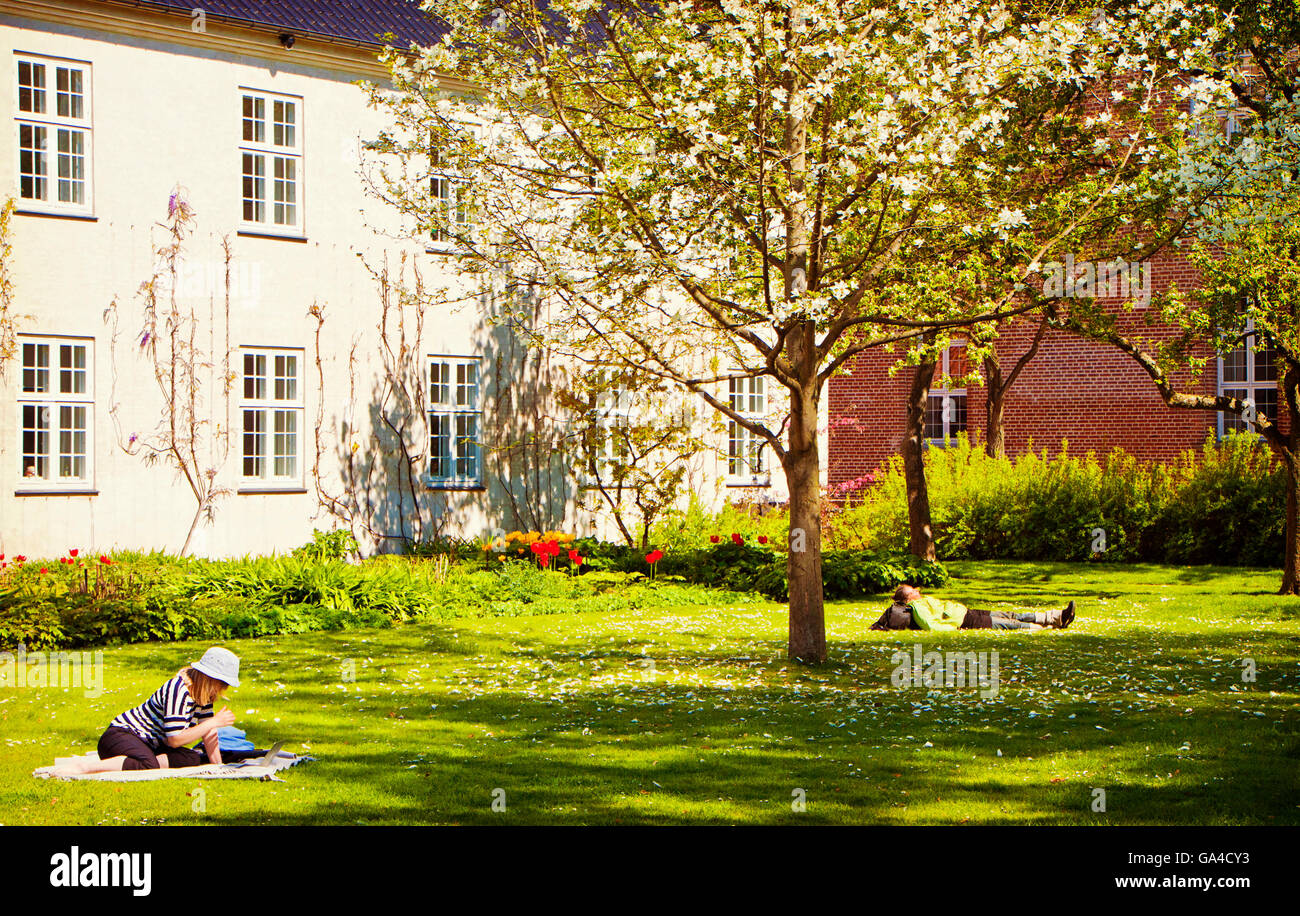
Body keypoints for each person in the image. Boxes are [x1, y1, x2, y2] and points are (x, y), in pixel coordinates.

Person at [58, 647, 240, 775]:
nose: (223, 689)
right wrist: (213, 722)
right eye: (222, 683)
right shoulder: (178, 690)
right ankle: (85, 767)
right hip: (121, 736)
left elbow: (208, 732)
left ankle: (138, 762)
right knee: (148, 764)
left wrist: (219, 766)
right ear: (209, 678)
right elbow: (175, 739)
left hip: (149, 745)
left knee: (193, 758)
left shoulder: (204, 695)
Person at [872, 584, 1076, 631]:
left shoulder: (920, 602)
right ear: (909, 598)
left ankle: (1057, 617)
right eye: (914, 591)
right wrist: (953, 628)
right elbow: (930, 625)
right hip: (966, 620)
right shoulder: (916, 607)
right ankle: (1048, 628)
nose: (918, 591)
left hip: (968, 612)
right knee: (1009, 624)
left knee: (1011, 614)